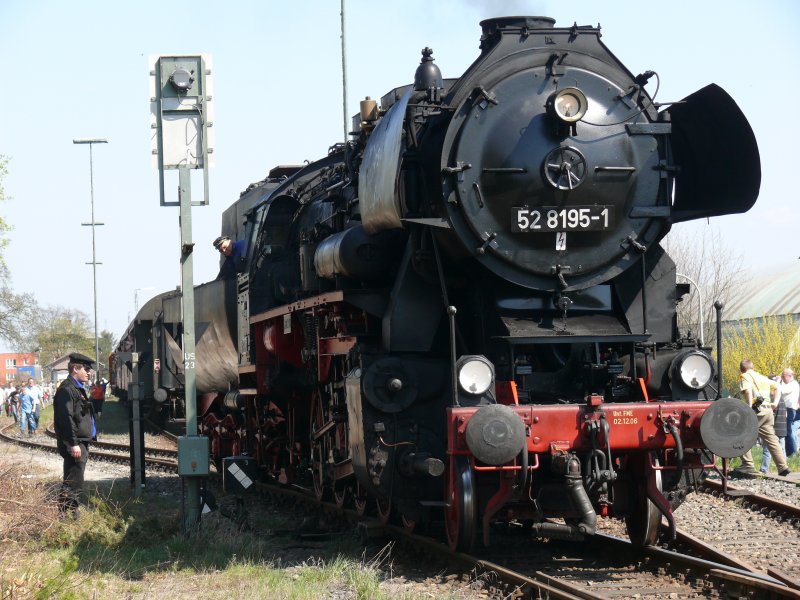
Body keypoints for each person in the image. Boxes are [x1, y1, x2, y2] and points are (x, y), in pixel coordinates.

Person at [53, 353, 97, 516]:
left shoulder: (76, 387)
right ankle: (64, 512)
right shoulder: (67, 389)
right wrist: (73, 443)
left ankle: (73, 508)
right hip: (75, 442)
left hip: (80, 440)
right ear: (75, 368)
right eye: (85, 369)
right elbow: (66, 419)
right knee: (73, 477)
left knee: (76, 476)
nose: (88, 372)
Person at [735, 359, 791, 477]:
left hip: (756, 410)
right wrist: (775, 402)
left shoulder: (744, 376)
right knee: (771, 438)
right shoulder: (761, 377)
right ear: (753, 367)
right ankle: (782, 466)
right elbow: (777, 387)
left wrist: (749, 407)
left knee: (740, 433)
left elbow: (748, 391)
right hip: (767, 411)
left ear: (742, 369)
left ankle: (748, 464)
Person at [779, 368, 799, 457]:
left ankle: (791, 453)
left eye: (783, 376)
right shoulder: (791, 384)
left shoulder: (793, 384)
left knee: (788, 432)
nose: (782, 378)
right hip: (788, 410)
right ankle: (790, 452)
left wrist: (777, 382)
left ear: (790, 376)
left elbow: (781, 391)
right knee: (788, 431)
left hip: (789, 410)